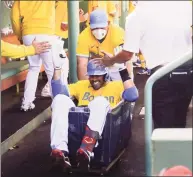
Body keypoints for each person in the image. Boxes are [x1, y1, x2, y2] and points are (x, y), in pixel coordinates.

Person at [94, 1, 192, 129]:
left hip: (163, 75)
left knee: (163, 129)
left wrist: (110, 61)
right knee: (179, 122)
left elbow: (128, 54)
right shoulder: (181, 4)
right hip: (187, 70)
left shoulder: (136, 17)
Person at [50, 59, 139, 170]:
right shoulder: (82, 85)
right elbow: (58, 93)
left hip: (105, 129)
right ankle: (60, 150)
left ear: (105, 75)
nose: (94, 79)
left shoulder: (116, 86)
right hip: (79, 124)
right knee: (59, 99)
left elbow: (132, 96)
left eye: (98, 76)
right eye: (91, 76)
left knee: (100, 101)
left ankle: (87, 148)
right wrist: (57, 70)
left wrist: (122, 69)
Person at [11, 1, 60, 111]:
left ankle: (26, 103)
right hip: (46, 31)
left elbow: (14, 18)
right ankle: (57, 102)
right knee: (51, 69)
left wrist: (20, 35)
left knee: (33, 68)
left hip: (28, 32)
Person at [77, 9, 133, 81]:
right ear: (89, 24)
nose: (98, 30)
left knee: (123, 85)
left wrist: (128, 82)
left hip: (117, 62)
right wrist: (84, 88)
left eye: (102, 27)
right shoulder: (84, 36)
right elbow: (82, 64)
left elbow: (127, 60)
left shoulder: (118, 33)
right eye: (95, 27)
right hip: (99, 64)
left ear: (108, 23)